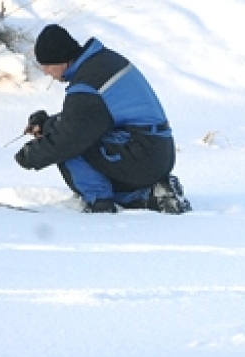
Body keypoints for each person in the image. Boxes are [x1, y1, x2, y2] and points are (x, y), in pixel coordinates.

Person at [13, 24, 191, 215]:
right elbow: (86, 118)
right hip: (154, 149)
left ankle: (100, 203)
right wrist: (46, 124)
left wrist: (30, 155)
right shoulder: (101, 63)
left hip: (143, 153)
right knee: (73, 137)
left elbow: (69, 137)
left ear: (61, 60)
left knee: (71, 147)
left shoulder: (87, 84)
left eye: (47, 65)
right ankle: (153, 194)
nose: (45, 71)